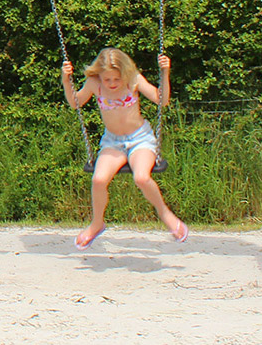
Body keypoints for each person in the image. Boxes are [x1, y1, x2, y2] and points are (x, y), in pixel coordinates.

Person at [62, 46, 188, 250]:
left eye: (116, 79)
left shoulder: (134, 79)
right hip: (112, 142)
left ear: (125, 74)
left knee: (141, 177)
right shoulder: (95, 83)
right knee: (98, 179)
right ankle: (97, 223)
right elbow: (75, 103)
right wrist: (66, 80)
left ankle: (166, 214)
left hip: (140, 139)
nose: (111, 84)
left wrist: (165, 72)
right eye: (107, 79)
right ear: (99, 76)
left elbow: (161, 100)